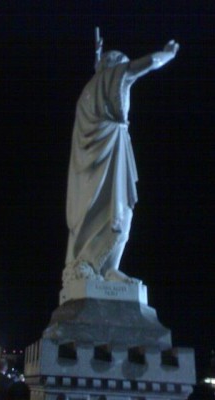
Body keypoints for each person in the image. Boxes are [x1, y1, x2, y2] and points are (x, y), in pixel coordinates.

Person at [63, 36, 179, 287]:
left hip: (91, 167)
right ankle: (94, 264)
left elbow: (102, 78)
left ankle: (107, 269)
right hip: (110, 155)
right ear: (114, 66)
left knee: (96, 213)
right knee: (120, 212)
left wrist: (98, 62)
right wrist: (167, 54)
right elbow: (143, 65)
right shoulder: (114, 75)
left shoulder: (88, 91)